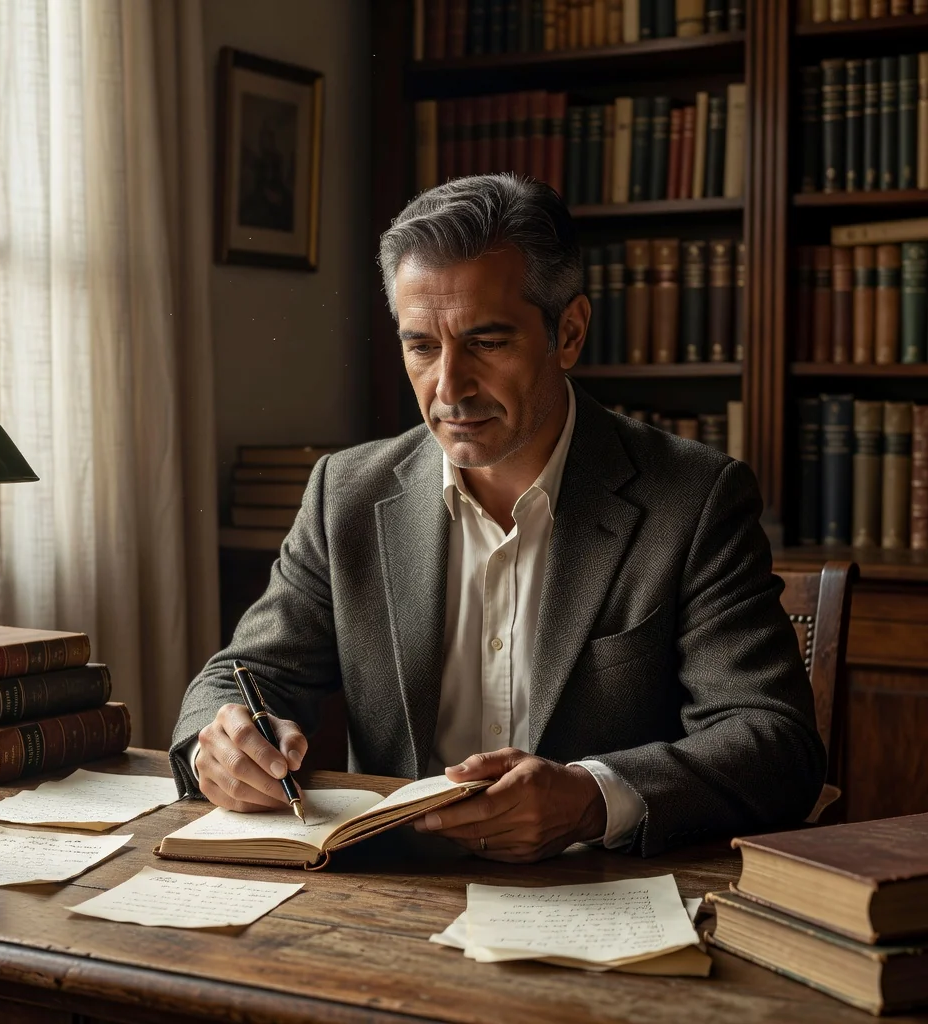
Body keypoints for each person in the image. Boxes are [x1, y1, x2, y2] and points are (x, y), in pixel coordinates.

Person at [170, 174, 824, 861]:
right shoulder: (347, 495)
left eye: (486, 342)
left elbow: (772, 738)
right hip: (388, 897)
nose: (449, 388)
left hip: (602, 896)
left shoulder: (694, 498)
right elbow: (239, 676)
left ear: (567, 333)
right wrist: (219, 743)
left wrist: (592, 797)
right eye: (421, 346)